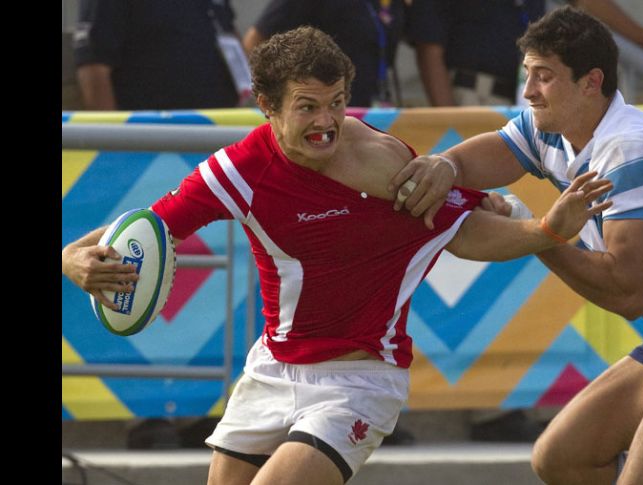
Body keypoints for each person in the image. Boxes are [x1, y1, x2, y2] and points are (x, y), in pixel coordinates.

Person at [61, 26, 611, 485]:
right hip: (271, 370)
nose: (327, 123)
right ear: (267, 107)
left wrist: (547, 229)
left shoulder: (382, 162)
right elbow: (150, 227)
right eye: (307, 107)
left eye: (337, 103)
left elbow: (466, 234)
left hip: (358, 380)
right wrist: (71, 258)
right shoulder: (239, 171)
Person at [389, 7, 643, 484]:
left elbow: (628, 294)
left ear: (591, 82)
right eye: (528, 74)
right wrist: (445, 166)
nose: (529, 91)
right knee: (560, 459)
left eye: (544, 76)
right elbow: (491, 152)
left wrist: (540, 235)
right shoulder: (554, 125)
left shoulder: (628, 151)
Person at [407, 0, 643, 107]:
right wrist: (448, 119)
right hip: (475, 96)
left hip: (532, 95)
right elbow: (429, 49)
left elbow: (586, 2)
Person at [73, 0, 243, 110]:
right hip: (151, 140)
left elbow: (230, 37)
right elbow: (93, 67)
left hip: (217, 134)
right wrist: (113, 142)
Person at [242, 0, 408, 107]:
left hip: (372, 106)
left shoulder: (390, 4)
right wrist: (280, 97)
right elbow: (254, 41)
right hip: (321, 111)